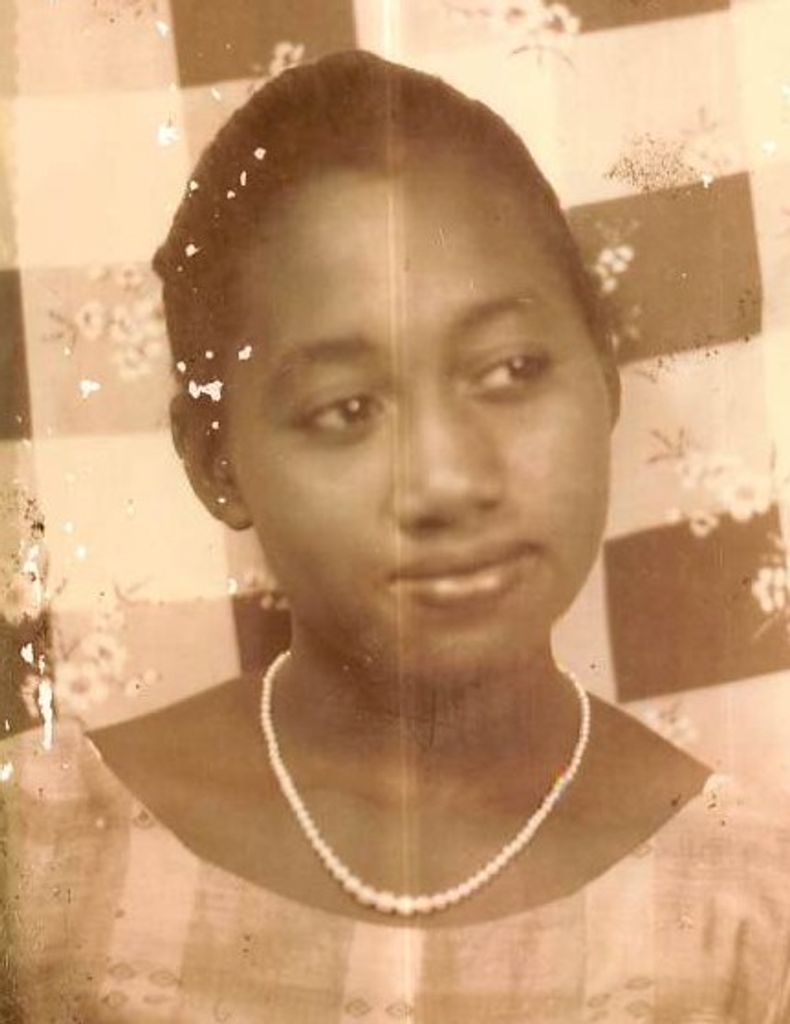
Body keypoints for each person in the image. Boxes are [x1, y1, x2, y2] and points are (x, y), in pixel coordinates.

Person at [2, 50, 789, 1023]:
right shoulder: (43, 853)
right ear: (216, 462)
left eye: (510, 369)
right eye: (346, 409)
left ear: (604, 375)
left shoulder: (753, 913)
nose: (446, 481)